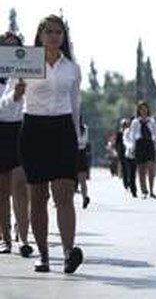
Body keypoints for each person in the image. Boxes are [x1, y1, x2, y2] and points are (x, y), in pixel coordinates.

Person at [19, 15, 83, 273]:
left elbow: (76, 104)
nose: (54, 36)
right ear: (40, 35)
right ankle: (44, 254)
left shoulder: (72, 67)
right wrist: (16, 93)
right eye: (49, 31)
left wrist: (78, 140)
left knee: (64, 194)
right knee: (38, 195)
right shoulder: (26, 62)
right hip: (34, 129)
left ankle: (69, 252)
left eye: (59, 32)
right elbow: (10, 101)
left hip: (63, 130)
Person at [0, 31, 33, 257]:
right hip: (1, 129)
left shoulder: (29, 71)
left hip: (22, 129)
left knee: (20, 186)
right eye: (6, 47)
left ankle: (23, 237)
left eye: (16, 46)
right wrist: (13, 95)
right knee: (2, 191)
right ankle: (4, 238)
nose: (11, 51)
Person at [128, 101, 156, 199]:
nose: (143, 110)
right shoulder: (135, 122)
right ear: (139, 110)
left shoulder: (152, 121)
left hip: (149, 144)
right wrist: (132, 148)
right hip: (140, 144)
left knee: (151, 169)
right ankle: (143, 190)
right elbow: (132, 136)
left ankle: (152, 190)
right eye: (141, 109)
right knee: (141, 170)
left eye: (145, 108)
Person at [76, 119, 91, 208]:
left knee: (82, 180)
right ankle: (84, 197)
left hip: (79, 153)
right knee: (77, 180)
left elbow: (83, 141)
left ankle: (85, 197)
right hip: (78, 152)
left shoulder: (84, 128)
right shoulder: (83, 128)